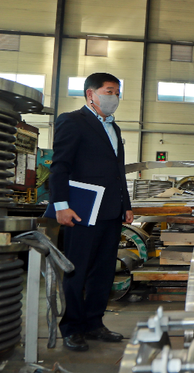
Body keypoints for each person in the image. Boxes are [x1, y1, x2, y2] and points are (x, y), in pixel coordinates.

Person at [49, 72, 134, 352]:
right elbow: (60, 166)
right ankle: (72, 327)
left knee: (103, 271)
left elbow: (117, 171)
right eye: (109, 91)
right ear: (91, 94)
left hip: (110, 212)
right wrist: (61, 206)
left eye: (117, 93)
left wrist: (126, 206)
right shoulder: (72, 121)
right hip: (82, 211)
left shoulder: (115, 129)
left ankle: (94, 322)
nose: (115, 98)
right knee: (77, 270)